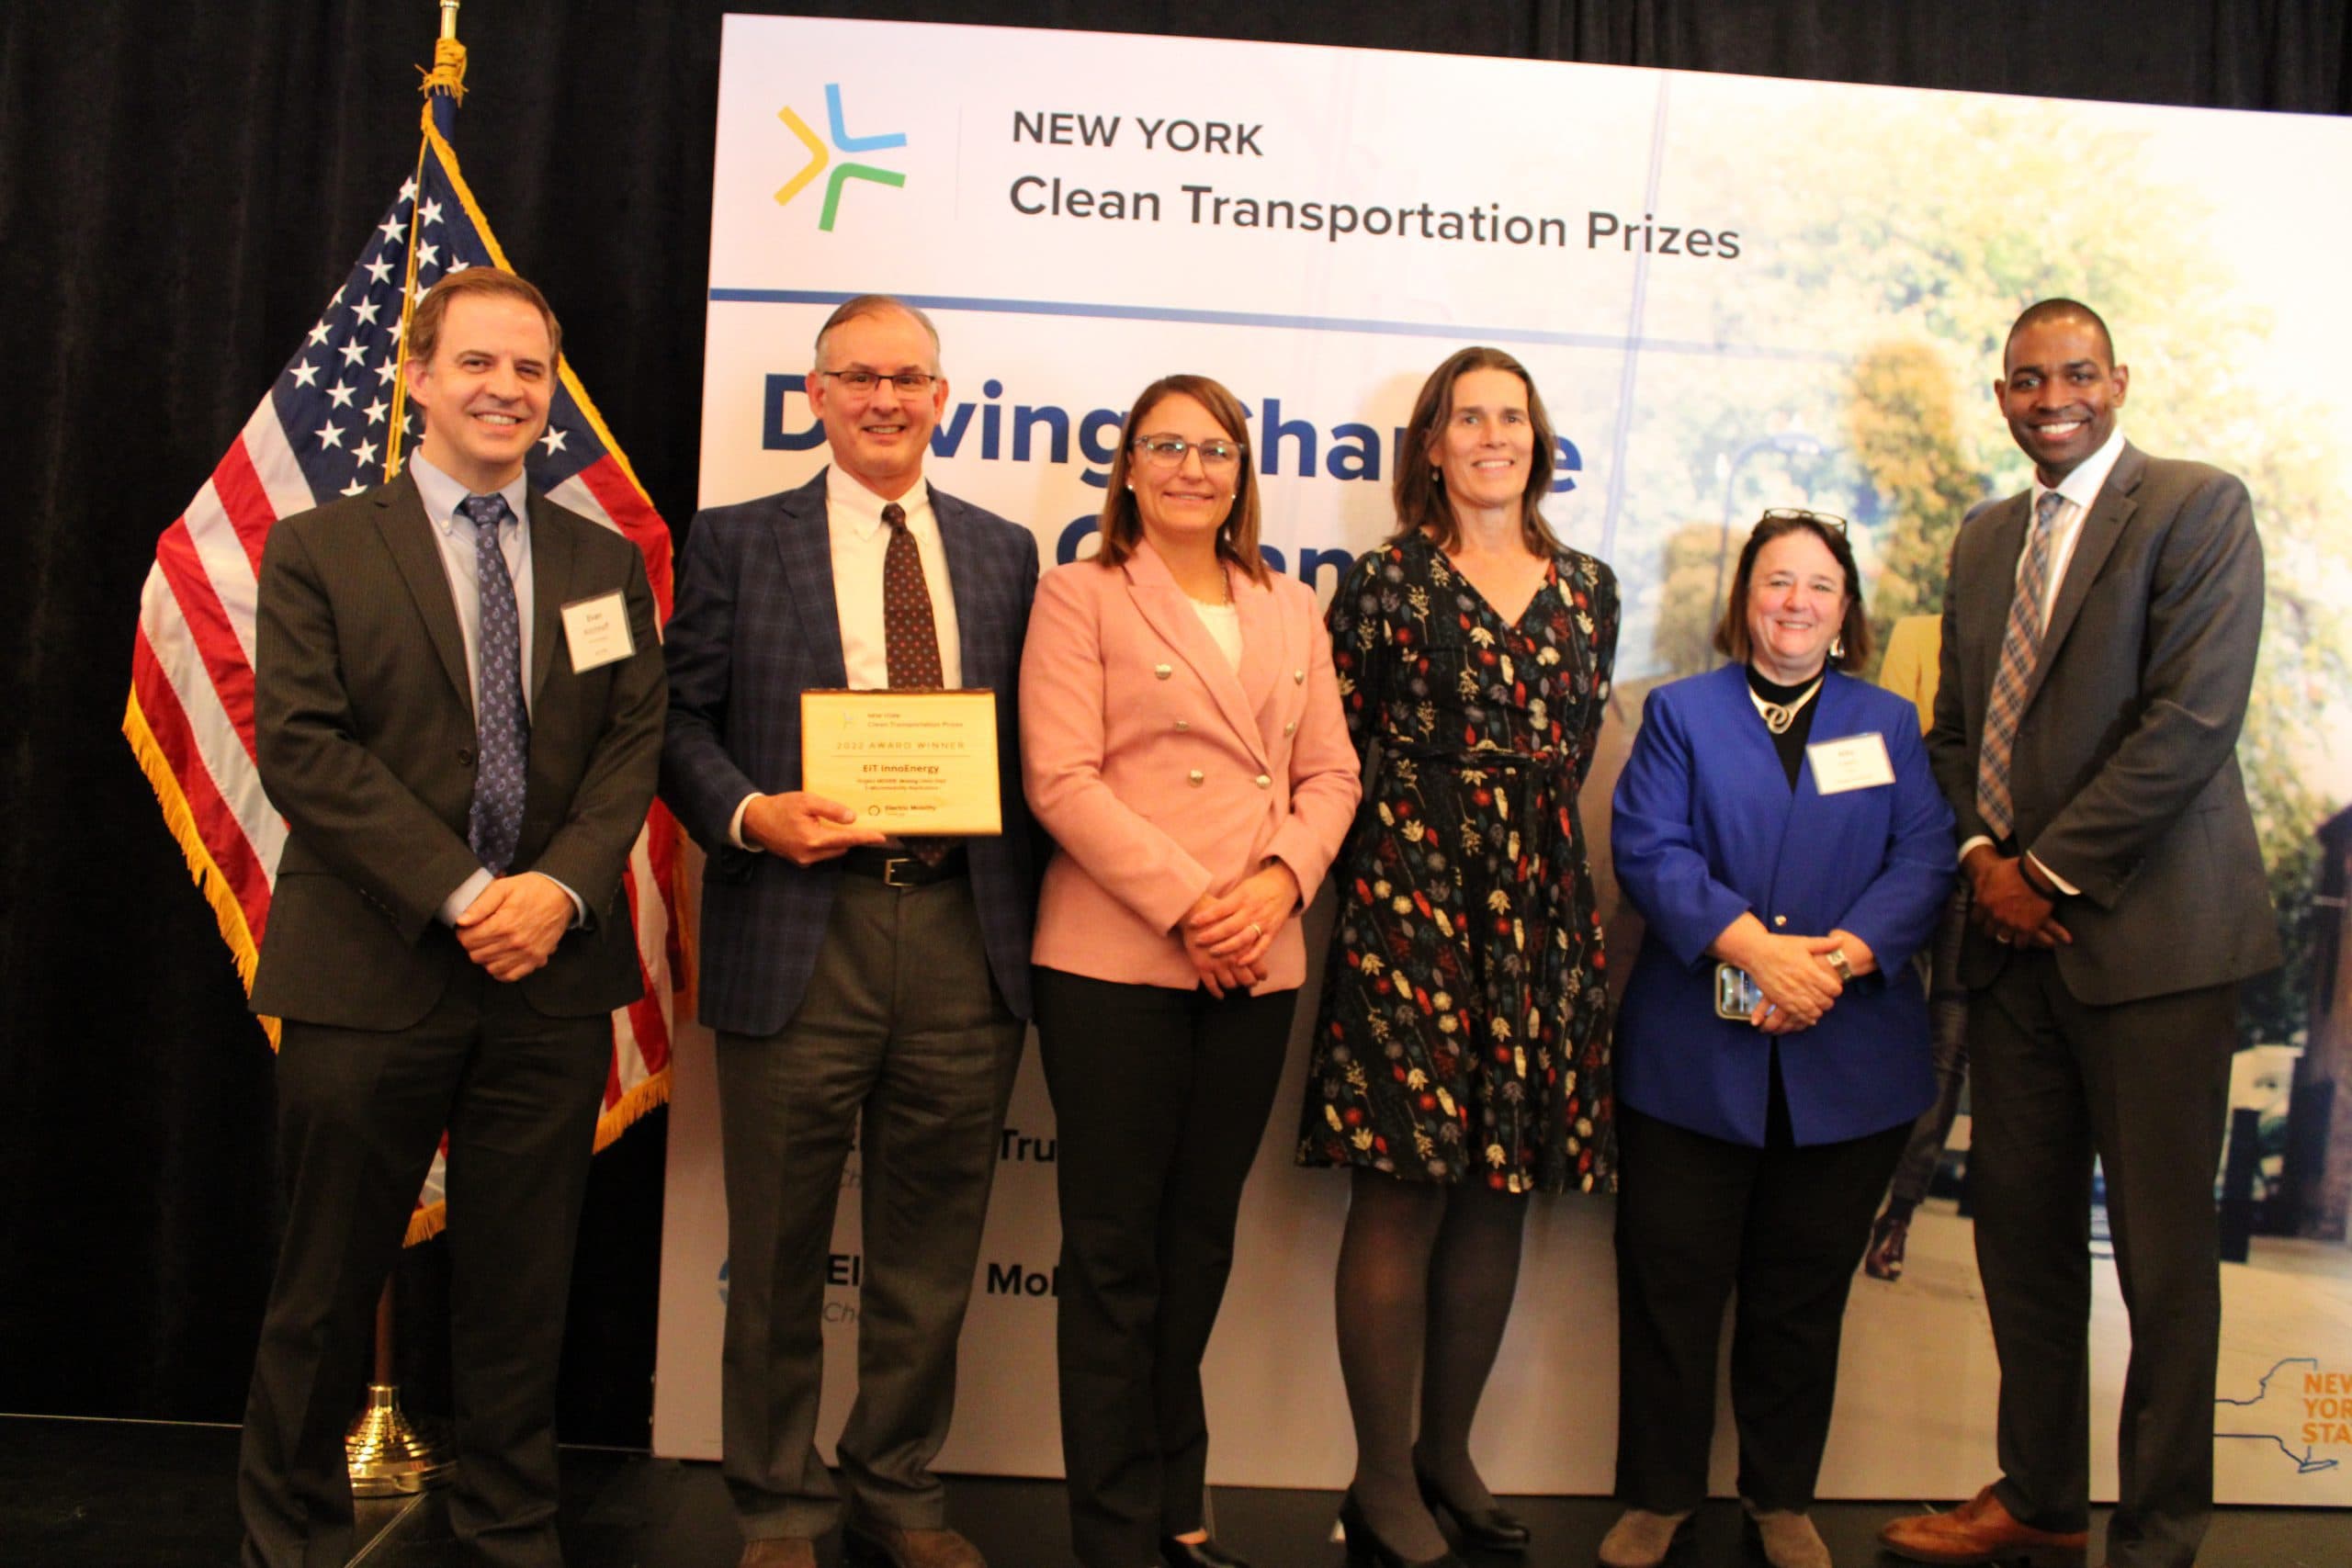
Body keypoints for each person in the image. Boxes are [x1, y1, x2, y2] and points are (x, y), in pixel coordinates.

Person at [238, 266, 666, 1568]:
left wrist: (559, 889)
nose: (506, 389)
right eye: (477, 362)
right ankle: (290, 1542)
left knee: (521, 1294)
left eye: (529, 368)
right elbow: (305, 749)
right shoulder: (319, 547)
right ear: (418, 377)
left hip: (550, 974)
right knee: (324, 1287)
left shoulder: (603, 563)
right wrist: (471, 894)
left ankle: (510, 1533)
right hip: (370, 967)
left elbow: (629, 747)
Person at [1882, 299, 2278, 1568]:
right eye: (2026, 379)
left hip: (2156, 950)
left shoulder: (2197, 507)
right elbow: (1956, 732)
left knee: (2163, 1263)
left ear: (2119, 380)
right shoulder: (1986, 536)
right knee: (2021, 1240)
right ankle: (2041, 1500)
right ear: (2002, 396)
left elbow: (2191, 720)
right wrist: (1985, 862)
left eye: (2076, 373)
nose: (2052, 397)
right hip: (2012, 954)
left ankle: (2157, 1536)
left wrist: (2045, 872)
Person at [661, 296, 1039, 1568]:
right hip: (797, 926)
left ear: (944, 398)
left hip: (962, 930)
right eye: (859, 377)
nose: (886, 399)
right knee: (776, 1248)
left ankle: (898, 1485)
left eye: (909, 378)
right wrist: (752, 812)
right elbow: (677, 721)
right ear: (814, 394)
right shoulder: (734, 539)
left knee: (931, 1247)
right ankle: (777, 1502)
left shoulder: (1004, 552)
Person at [1020, 375, 1360, 1568]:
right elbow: (1060, 778)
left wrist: (1276, 886)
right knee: (1114, 1254)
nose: (1189, 468)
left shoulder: (1291, 603)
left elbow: (1331, 775)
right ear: (1128, 467)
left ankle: (1178, 1501)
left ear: (1240, 472)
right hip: (1115, 962)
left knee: (1198, 1244)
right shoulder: (1079, 593)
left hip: (1256, 960)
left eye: (1213, 449)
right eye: (1164, 446)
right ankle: (1114, 1531)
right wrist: (1193, 906)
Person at [1298, 346, 1617, 1568]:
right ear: (1429, 446)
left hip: (1537, 905)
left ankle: (1449, 1454)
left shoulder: (1588, 588)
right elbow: (1336, 751)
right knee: (1401, 1182)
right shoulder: (1385, 581)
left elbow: (1570, 750)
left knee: (1501, 1179)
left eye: (1512, 417)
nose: (1494, 436)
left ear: (1539, 438)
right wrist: (1399, 885)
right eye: (1468, 418)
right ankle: (1380, 1479)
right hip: (1411, 898)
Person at [1600, 511, 1955, 1568]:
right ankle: (1657, 1497)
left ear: (1845, 612)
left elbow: (1924, 860)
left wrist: (1830, 967)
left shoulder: (1886, 724)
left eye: (1818, 586)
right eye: (1775, 581)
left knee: (1800, 1300)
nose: (1795, 602)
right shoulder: (1680, 714)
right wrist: (1760, 953)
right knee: (1670, 1292)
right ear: (1743, 598)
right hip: (1688, 1063)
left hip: (1847, 1062)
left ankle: (1780, 1498)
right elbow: (1648, 848)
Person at [1863, 613, 1974, 1283]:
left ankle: (1900, 1211)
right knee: (1876, 1017)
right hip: (1908, 853)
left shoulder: (2038, 645)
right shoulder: (1920, 635)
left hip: (1980, 867)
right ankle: (1853, 1190)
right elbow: (1890, 747)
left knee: (1949, 1043)